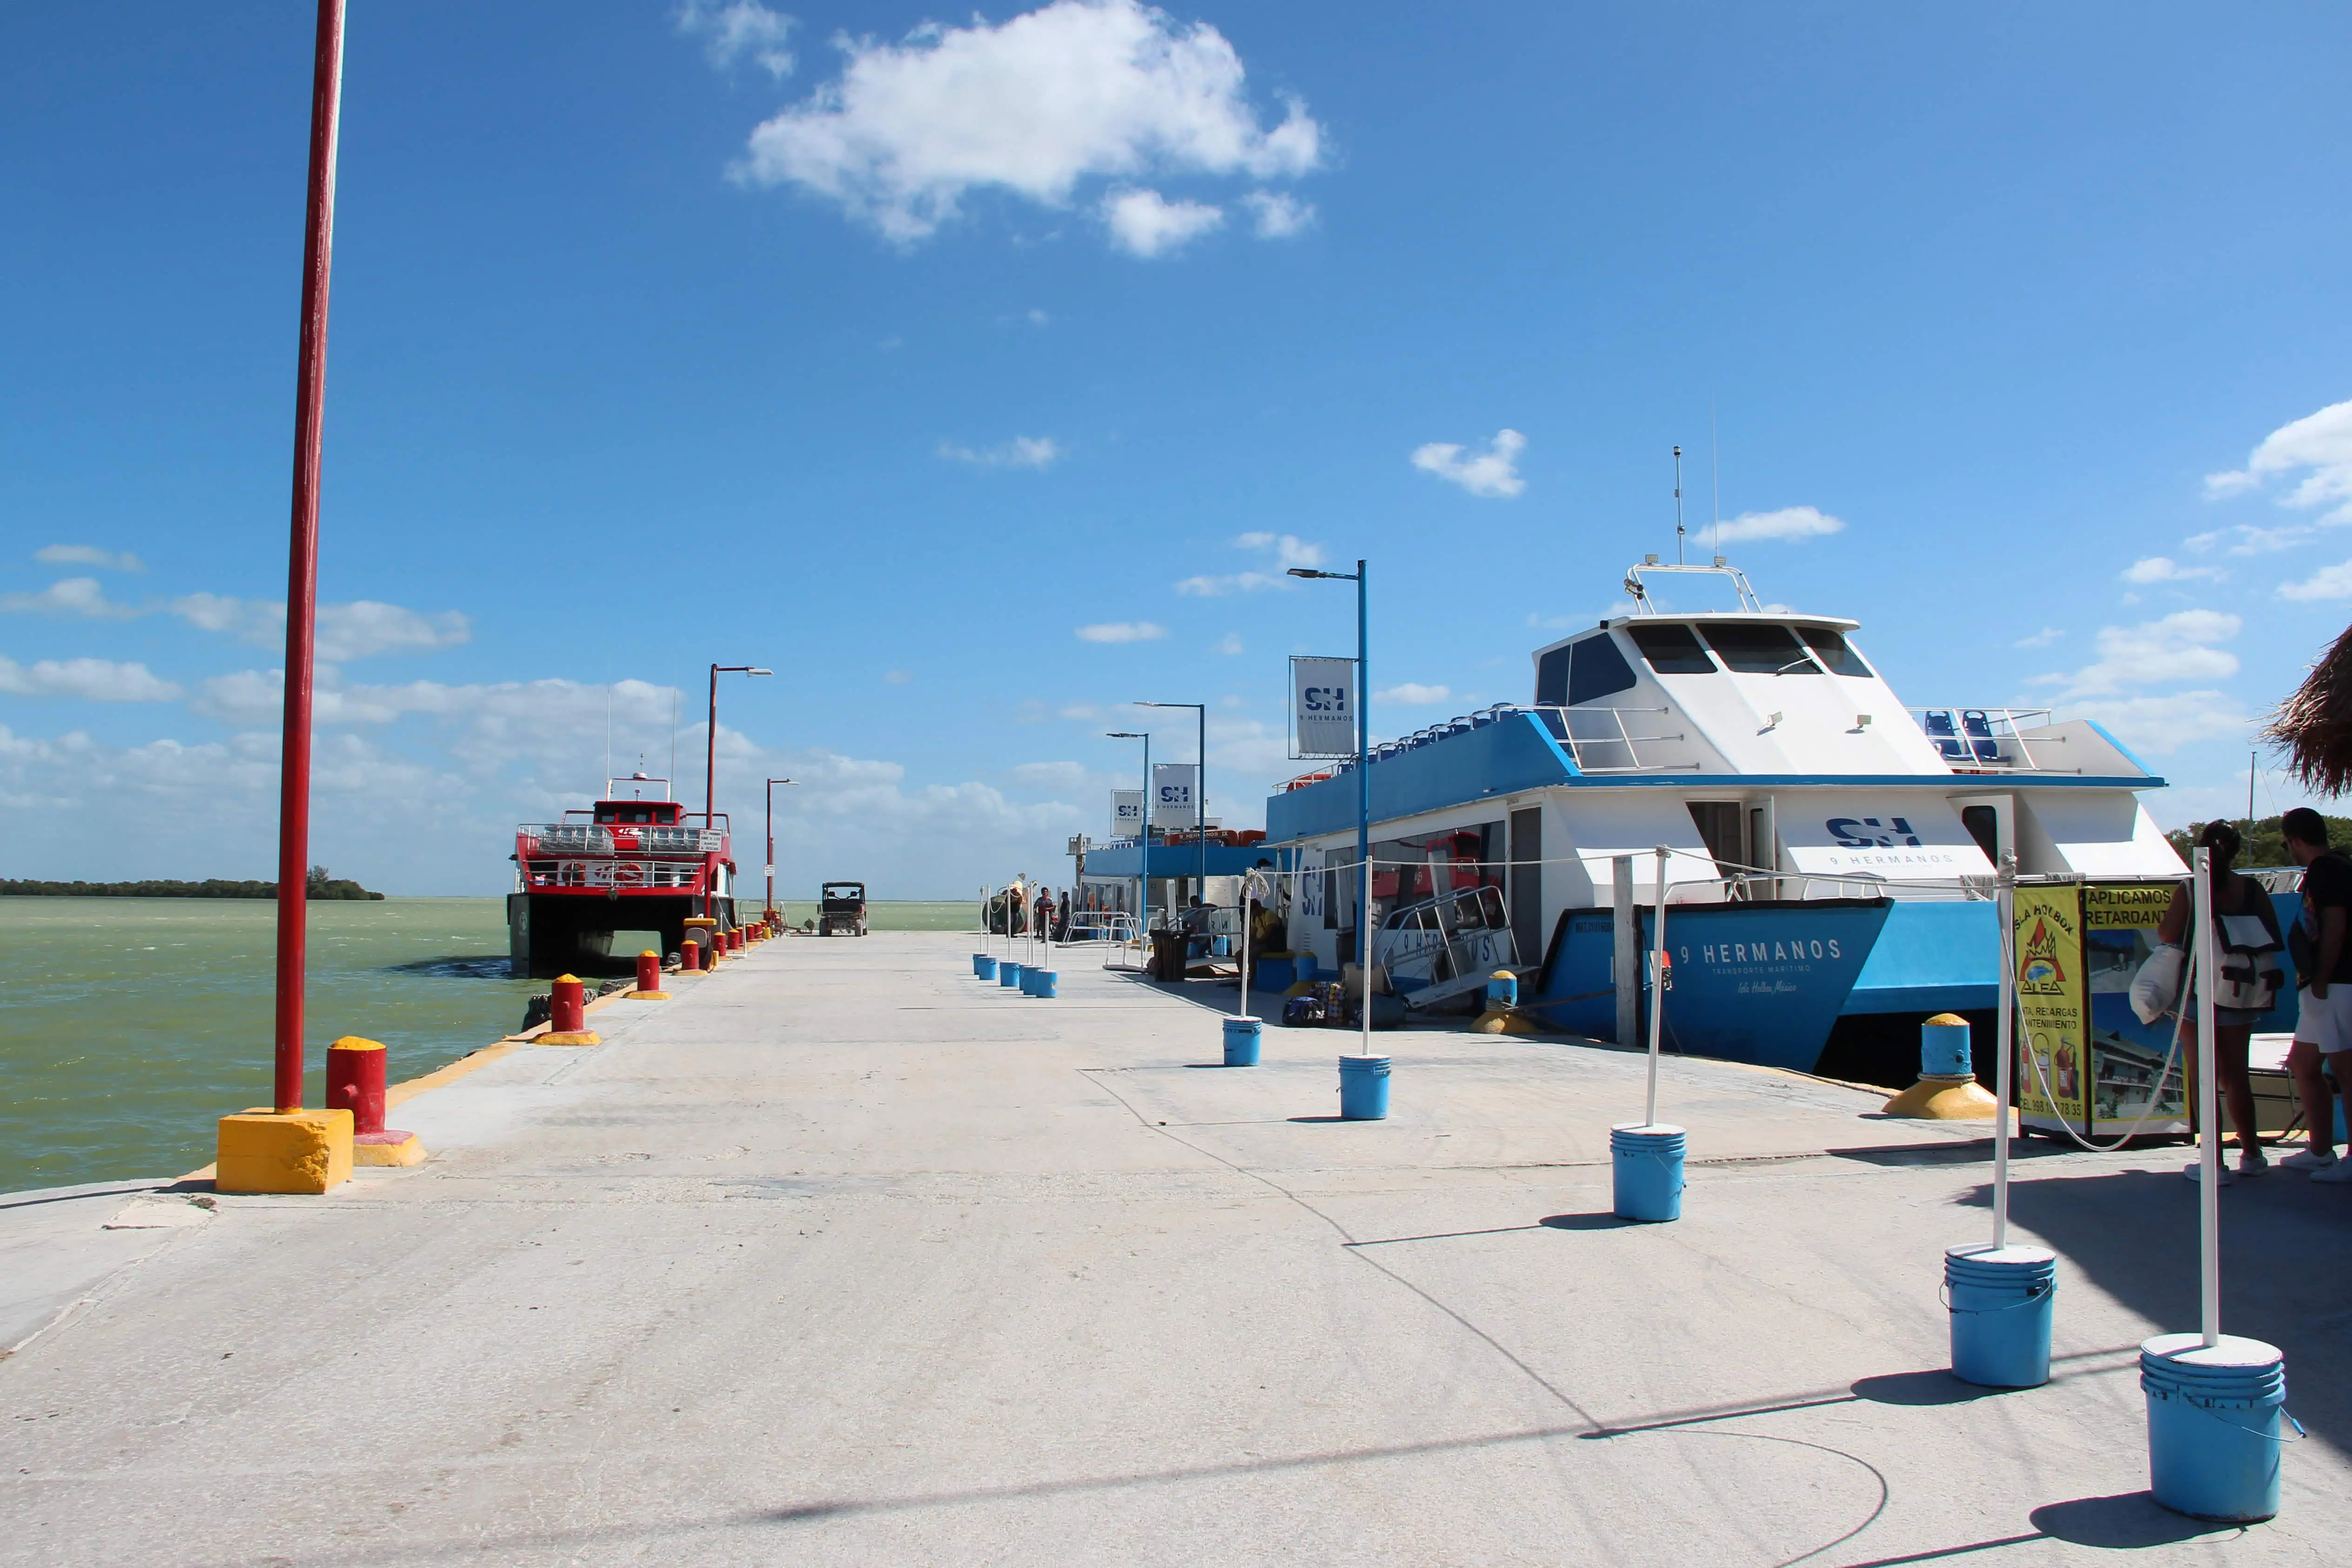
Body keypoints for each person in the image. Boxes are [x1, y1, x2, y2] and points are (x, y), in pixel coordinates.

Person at [2158, 821, 2282, 1180]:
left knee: (2202, 1076)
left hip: (2200, 990)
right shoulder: (2252, 889)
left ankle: (2213, 1162)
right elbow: (2270, 933)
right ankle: (2252, 1153)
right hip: (2242, 990)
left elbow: (2167, 933)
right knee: (2236, 1075)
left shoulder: (2192, 887)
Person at [2280, 808, 2352, 1182]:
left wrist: (2322, 975)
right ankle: (2320, 1150)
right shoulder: (2334, 867)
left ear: (2294, 840)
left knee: (2344, 1068)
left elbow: (2335, 923)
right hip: (2318, 986)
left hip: (2335, 983)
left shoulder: (2328, 871)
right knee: (2303, 1064)